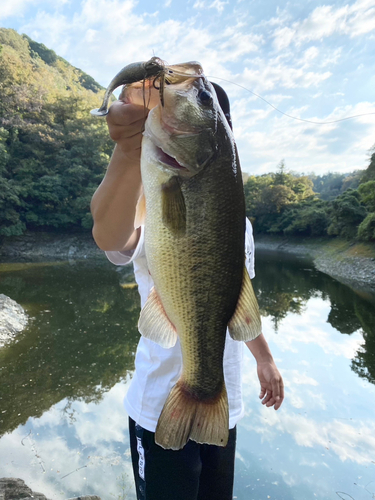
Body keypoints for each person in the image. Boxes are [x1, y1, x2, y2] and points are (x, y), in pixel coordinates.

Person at [90, 80, 284, 500]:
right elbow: (110, 238)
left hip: (221, 401)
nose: (180, 95)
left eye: (198, 98)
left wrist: (265, 360)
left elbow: (235, 300)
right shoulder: (150, 195)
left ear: (223, 134)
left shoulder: (240, 223)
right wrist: (126, 152)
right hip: (160, 404)